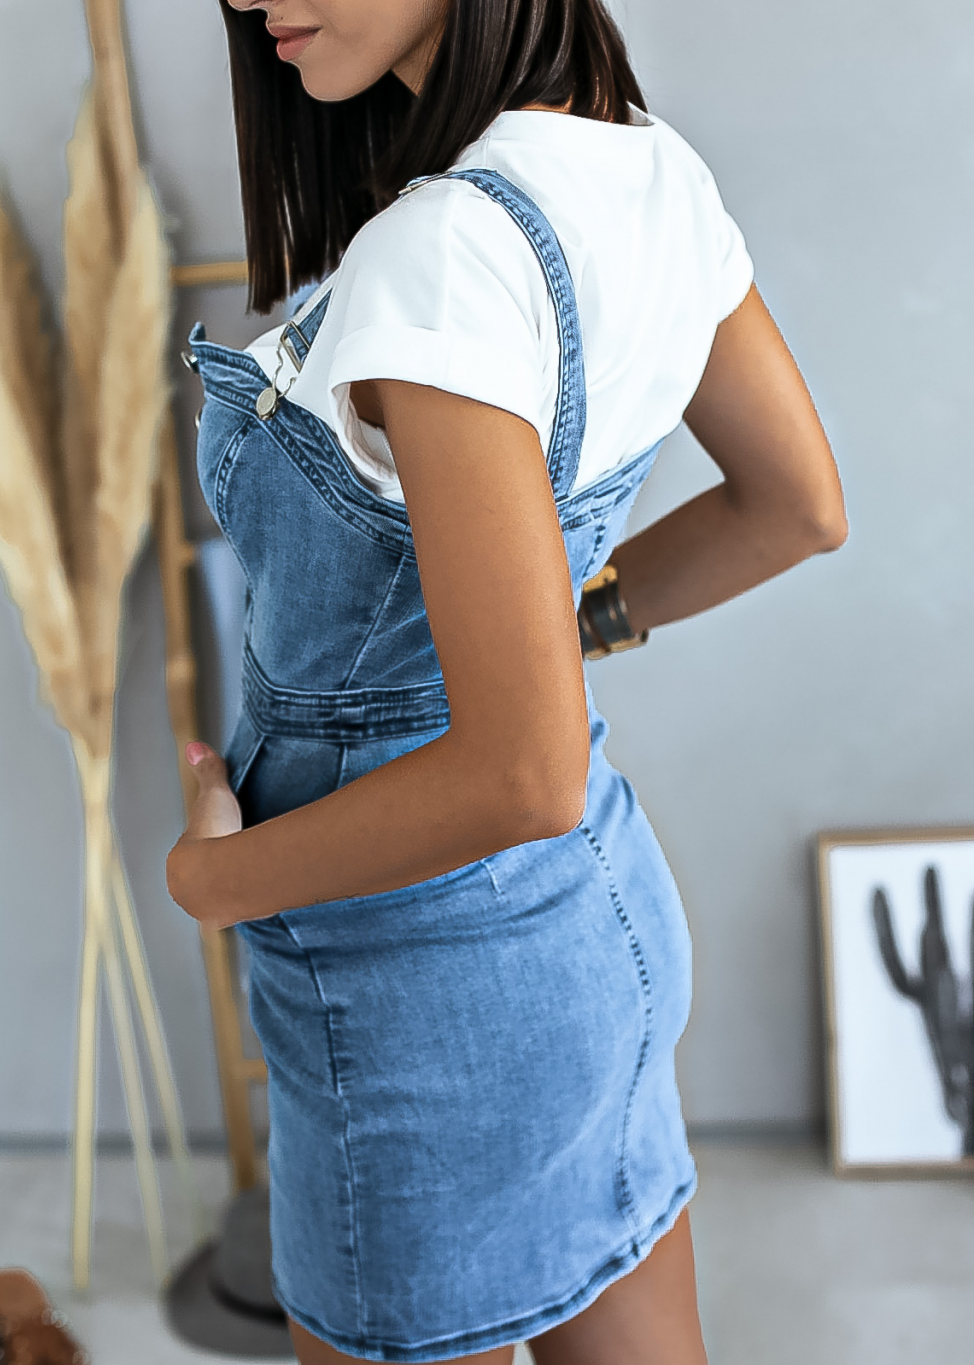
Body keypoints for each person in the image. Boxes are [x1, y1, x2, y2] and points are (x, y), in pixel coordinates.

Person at [166, 1, 848, 1361]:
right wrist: (559, 629)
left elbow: (522, 772)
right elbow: (797, 508)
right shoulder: (648, 168)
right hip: (594, 929)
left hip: (414, 993)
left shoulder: (441, 254)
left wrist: (216, 882)